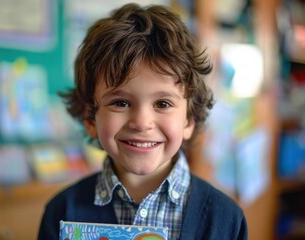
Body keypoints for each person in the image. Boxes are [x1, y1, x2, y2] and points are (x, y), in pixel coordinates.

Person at [38, 3, 247, 240]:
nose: (141, 122)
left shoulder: (226, 220)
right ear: (90, 118)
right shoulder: (61, 211)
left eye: (163, 104)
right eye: (121, 103)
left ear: (188, 120)